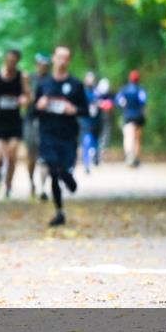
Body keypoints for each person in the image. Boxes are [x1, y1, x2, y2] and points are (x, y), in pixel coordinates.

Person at [34, 46, 88, 227]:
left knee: (63, 169)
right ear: (54, 59)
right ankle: (59, 211)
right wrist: (38, 106)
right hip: (48, 135)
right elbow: (32, 112)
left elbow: (86, 110)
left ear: (69, 61)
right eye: (59, 57)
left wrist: (74, 110)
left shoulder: (75, 85)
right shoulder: (44, 84)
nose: (62, 61)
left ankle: (69, 179)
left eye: (66, 58)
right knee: (53, 170)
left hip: (68, 135)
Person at [0, 49, 31, 198]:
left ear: (17, 62)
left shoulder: (22, 76)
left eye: (13, 61)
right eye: (8, 60)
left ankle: (8, 186)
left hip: (15, 121)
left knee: (11, 156)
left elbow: (29, 95)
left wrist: (24, 100)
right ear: (5, 60)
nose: (10, 64)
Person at [24, 53, 50, 199]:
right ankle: (32, 183)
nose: (43, 67)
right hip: (30, 119)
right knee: (31, 155)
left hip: (46, 121)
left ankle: (43, 187)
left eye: (45, 65)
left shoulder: (51, 81)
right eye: (40, 64)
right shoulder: (29, 79)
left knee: (44, 155)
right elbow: (26, 100)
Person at [116, 70, 147, 167]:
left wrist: (124, 105)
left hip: (128, 115)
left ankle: (129, 156)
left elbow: (119, 101)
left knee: (128, 136)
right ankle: (136, 158)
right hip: (138, 116)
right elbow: (143, 101)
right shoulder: (140, 90)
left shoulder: (124, 90)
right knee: (137, 138)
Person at [80, 71, 101, 173]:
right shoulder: (82, 92)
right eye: (89, 78)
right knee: (87, 141)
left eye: (92, 79)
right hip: (85, 121)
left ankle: (95, 156)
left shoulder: (97, 92)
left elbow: (105, 102)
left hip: (96, 121)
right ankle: (86, 164)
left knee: (95, 141)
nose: (90, 81)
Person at [95, 77, 114, 164]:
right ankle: (97, 154)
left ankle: (101, 152)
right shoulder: (96, 94)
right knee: (99, 135)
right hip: (97, 119)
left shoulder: (109, 95)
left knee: (105, 134)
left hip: (105, 118)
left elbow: (112, 103)